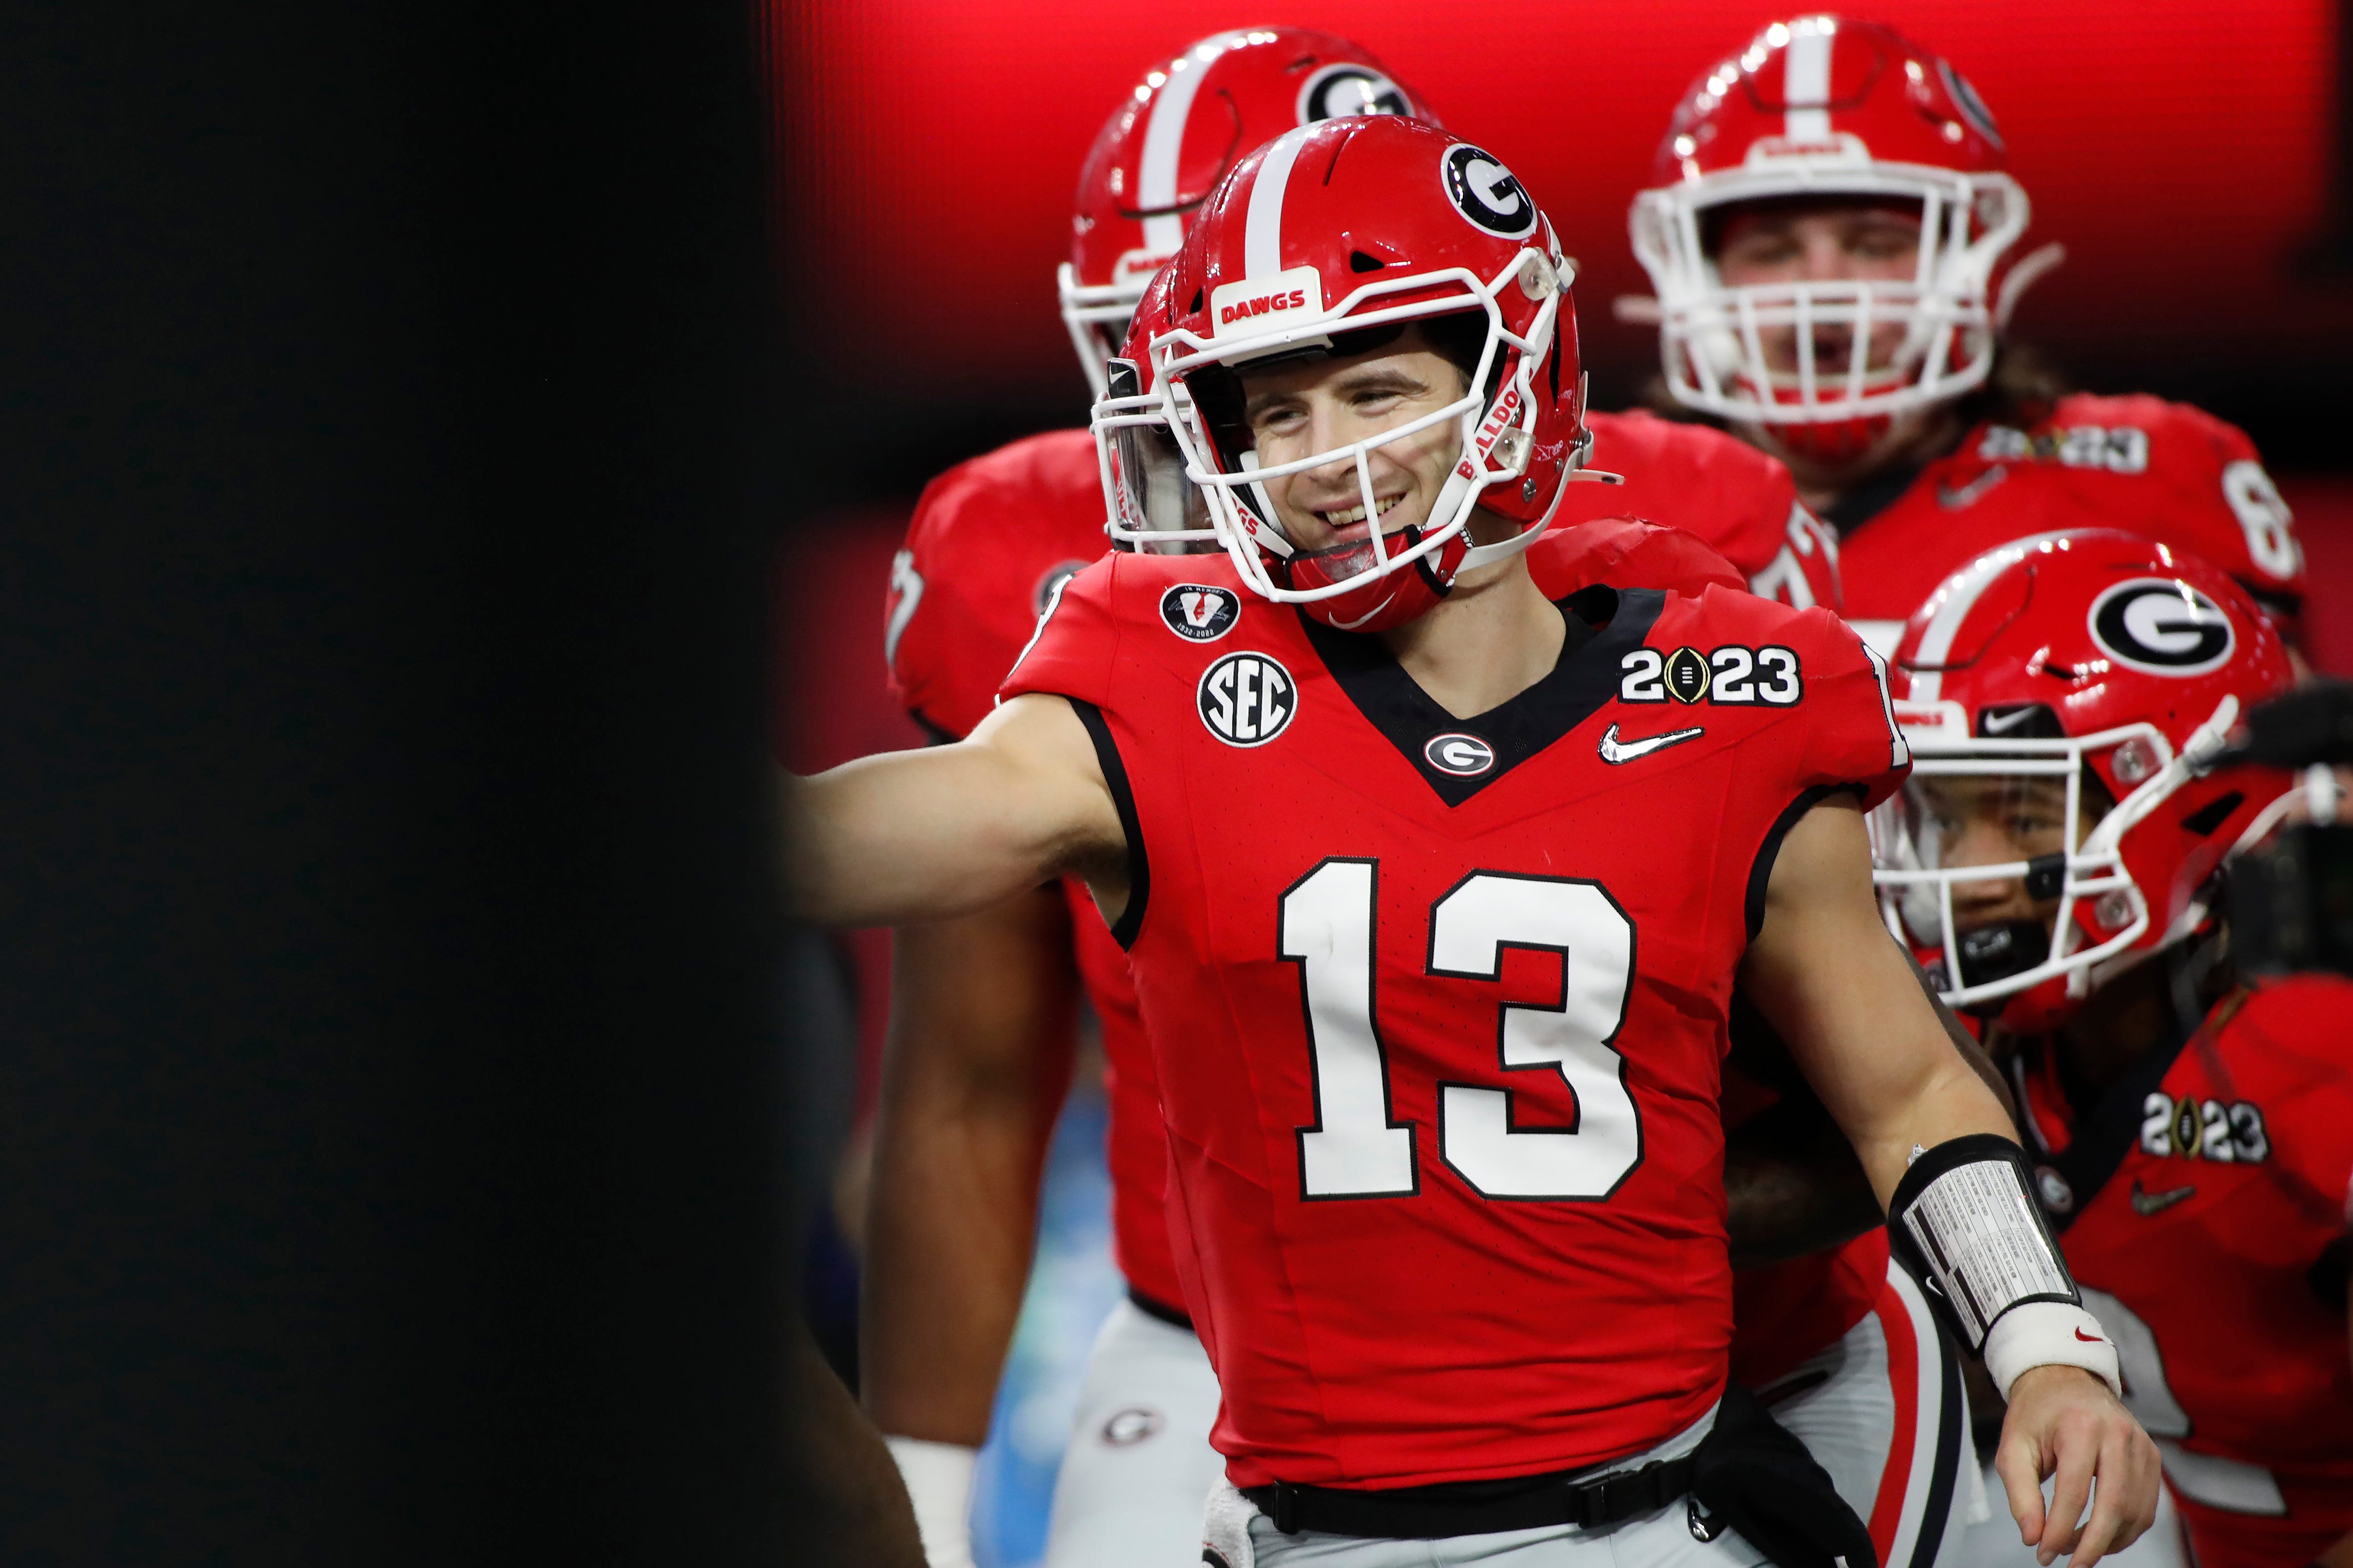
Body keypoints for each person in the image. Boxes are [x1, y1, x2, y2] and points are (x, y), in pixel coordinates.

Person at [804, 113, 2154, 1568]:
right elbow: (868, 834)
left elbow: (1903, 1087)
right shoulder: (1156, 674)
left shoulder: (1729, 688)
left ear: (1507, 390)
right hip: (1306, 1523)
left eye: (1373, 390)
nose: (1324, 460)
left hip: (1661, 1507)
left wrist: (2043, 1341)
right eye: (1275, 412)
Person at [872, 32, 1839, 1568]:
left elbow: (1852, 1060)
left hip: (1607, 1386)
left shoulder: (1681, 535)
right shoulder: (1034, 570)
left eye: (1357, 365)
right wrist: (921, 1479)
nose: (1250, 413)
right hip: (1190, 1336)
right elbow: (969, 1077)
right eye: (1165, 342)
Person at [1874, 529, 2353, 1568]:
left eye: (2021, 810)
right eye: (1947, 818)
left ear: (2187, 803)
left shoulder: (2315, 1045)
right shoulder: (1981, 1046)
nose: (1969, 869)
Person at [1624, 16, 2309, 662]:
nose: (1823, 286)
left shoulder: (2152, 476)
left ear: (1971, 259)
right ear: (1697, 274)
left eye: (1875, 243)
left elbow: (2297, 773)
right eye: (1773, 251)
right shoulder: (1598, 497)